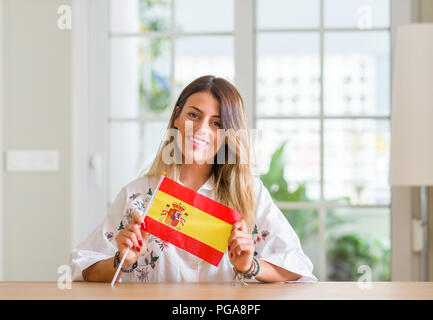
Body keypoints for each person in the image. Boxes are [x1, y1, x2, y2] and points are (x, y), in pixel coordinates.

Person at [70, 75, 317, 283]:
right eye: (193, 115)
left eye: (216, 123)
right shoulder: (138, 194)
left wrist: (250, 266)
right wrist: (122, 260)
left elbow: (298, 267)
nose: (201, 130)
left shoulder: (248, 193)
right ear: (177, 117)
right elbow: (83, 267)